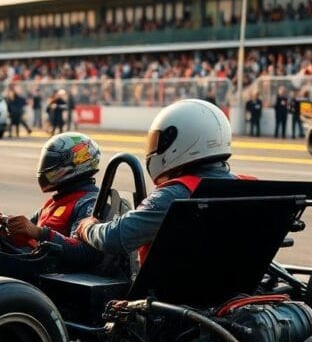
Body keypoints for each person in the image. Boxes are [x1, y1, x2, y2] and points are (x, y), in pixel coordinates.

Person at [76, 99, 239, 264]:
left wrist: (88, 228)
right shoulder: (251, 187)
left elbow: (114, 239)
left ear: (182, 140)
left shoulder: (175, 195)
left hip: (171, 288)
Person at [0, 133, 103, 269]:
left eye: (51, 162)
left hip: (55, 277)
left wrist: (40, 233)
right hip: (37, 266)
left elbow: (85, 253)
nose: (46, 167)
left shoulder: (89, 203)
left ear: (77, 163)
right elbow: (24, 235)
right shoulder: (56, 201)